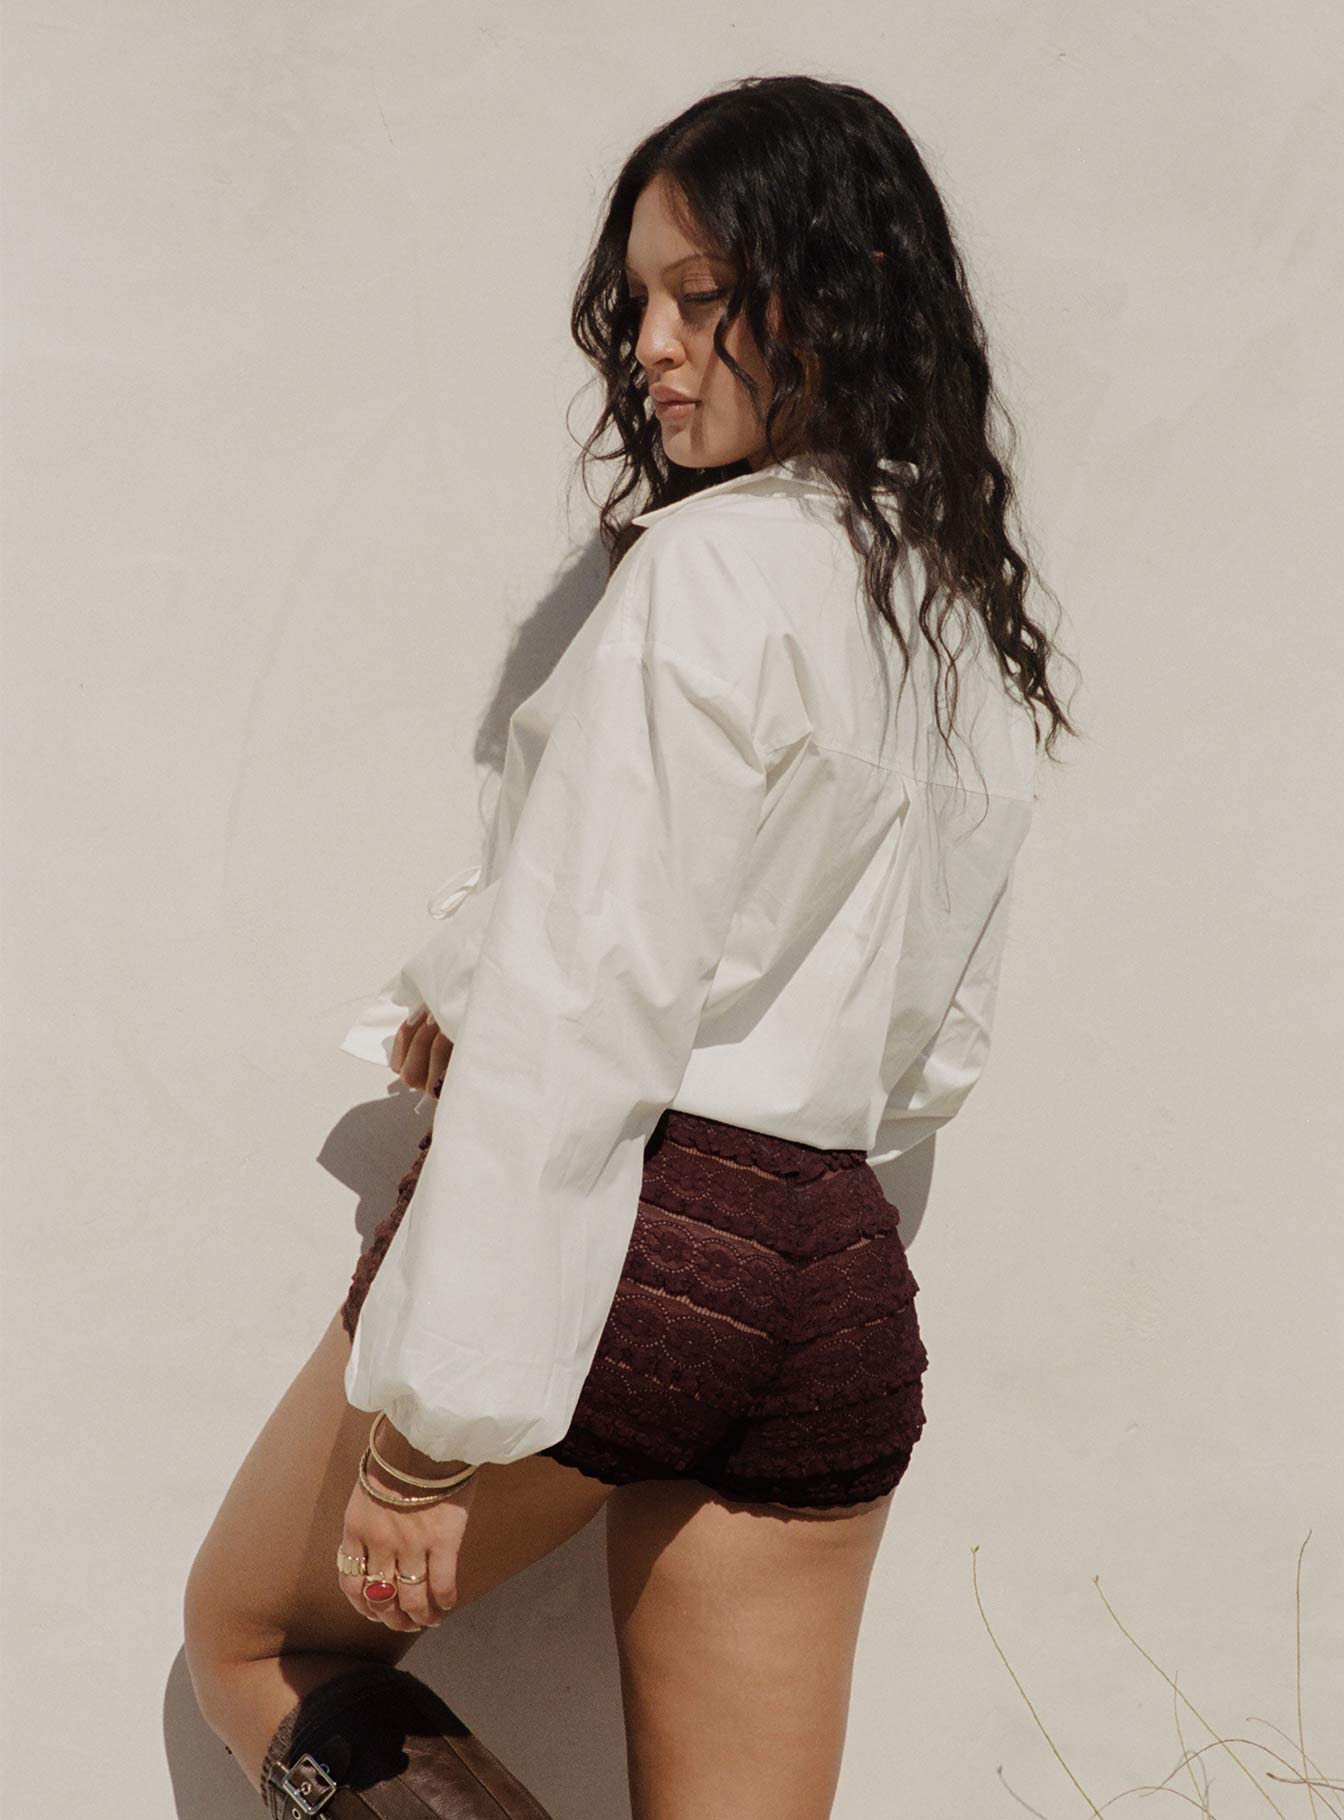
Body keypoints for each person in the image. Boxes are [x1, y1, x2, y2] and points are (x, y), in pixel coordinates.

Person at [183, 72, 1078, 1820]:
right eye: (639, 304)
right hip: (833, 1274)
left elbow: (590, 1002)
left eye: (700, 295)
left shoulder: (707, 572)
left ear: (833, 291)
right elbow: (924, 1039)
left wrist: (431, 1436)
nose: (653, 348)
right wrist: (473, 988)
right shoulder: (956, 616)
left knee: (253, 1638)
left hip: (647, 1235)